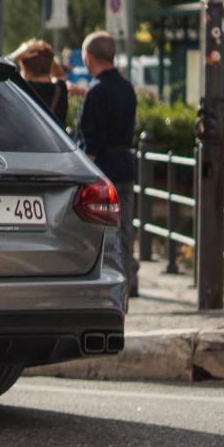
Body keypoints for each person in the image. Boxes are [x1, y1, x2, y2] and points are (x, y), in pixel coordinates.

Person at [76, 30, 138, 296]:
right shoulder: (127, 88)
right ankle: (129, 283)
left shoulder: (96, 92)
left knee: (99, 234)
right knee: (124, 231)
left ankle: (106, 287)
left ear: (89, 58)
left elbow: (92, 143)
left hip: (103, 171)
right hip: (125, 166)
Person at [9, 38, 68, 127]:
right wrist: (47, 57)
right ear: (51, 64)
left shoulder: (18, 90)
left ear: (23, 68)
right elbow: (60, 75)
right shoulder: (60, 90)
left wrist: (18, 53)